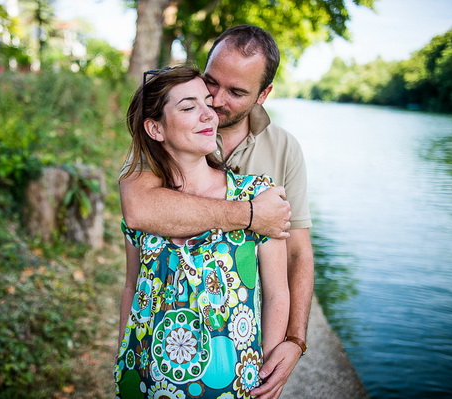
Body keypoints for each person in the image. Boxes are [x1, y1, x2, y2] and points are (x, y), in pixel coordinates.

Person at [119, 25, 314, 399]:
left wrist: (294, 340)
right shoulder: (163, 136)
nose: (215, 101)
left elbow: (297, 252)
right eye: (211, 83)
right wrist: (252, 215)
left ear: (264, 94)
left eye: (237, 92)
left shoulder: (283, 150)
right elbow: (138, 209)